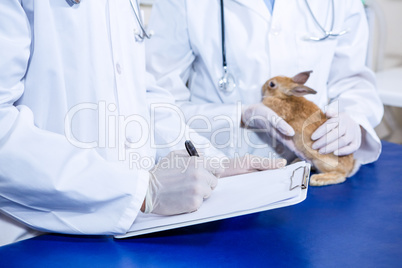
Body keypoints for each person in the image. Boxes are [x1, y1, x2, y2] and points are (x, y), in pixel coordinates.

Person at [0, 0, 284, 247]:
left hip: (131, 233)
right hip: (35, 237)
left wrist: (209, 164)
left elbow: (139, 94)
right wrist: (139, 191)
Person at [146, 0, 384, 166]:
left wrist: (353, 118)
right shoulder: (180, 3)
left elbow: (353, 80)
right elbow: (155, 100)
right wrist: (240, 115)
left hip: (314, 168)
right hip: (223, 168)